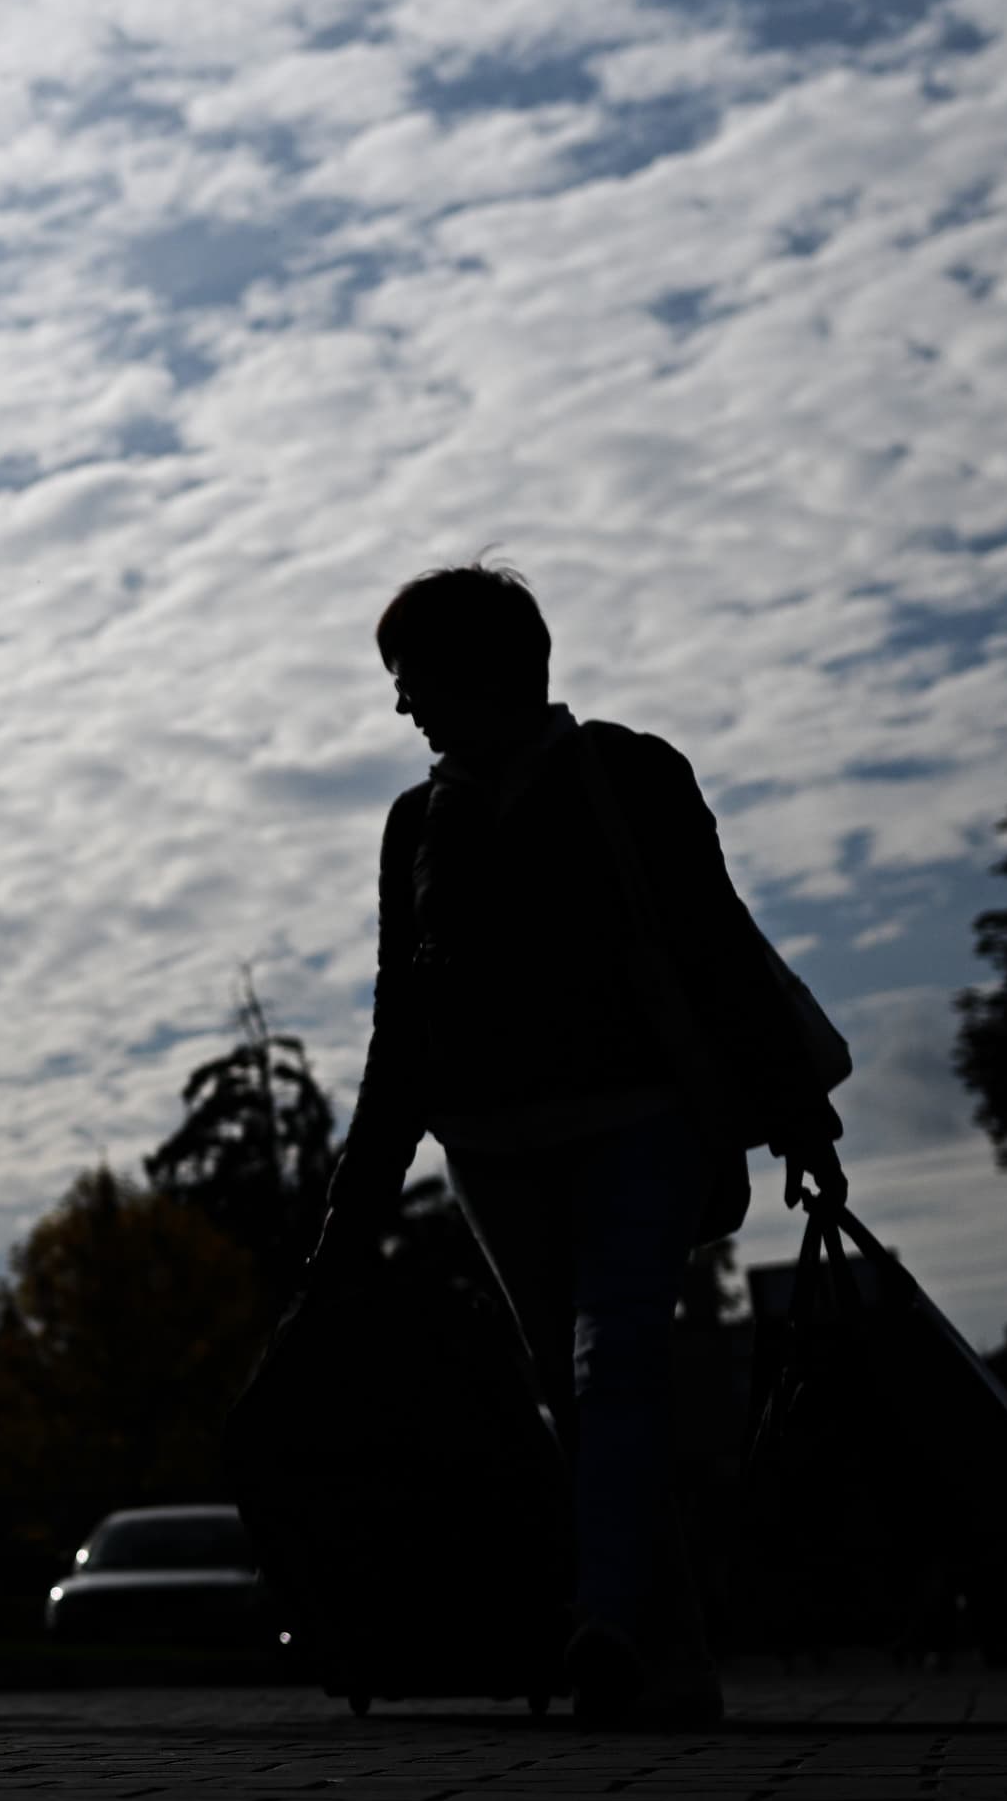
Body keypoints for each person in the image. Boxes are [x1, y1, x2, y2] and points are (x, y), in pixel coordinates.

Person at [301, 562, 843, 1725]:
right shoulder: (416, 824)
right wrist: (359, 1200)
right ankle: (667, 1660)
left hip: (643, 1121)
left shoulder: (630, 774)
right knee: (578, 1396)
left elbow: (713, 947)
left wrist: (800, 1116)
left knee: (619, 1366)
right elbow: (407, 1021)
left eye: (413, 678)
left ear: (487, 668)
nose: (401, 706)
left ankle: (599, 1619)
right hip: (493, 1150)